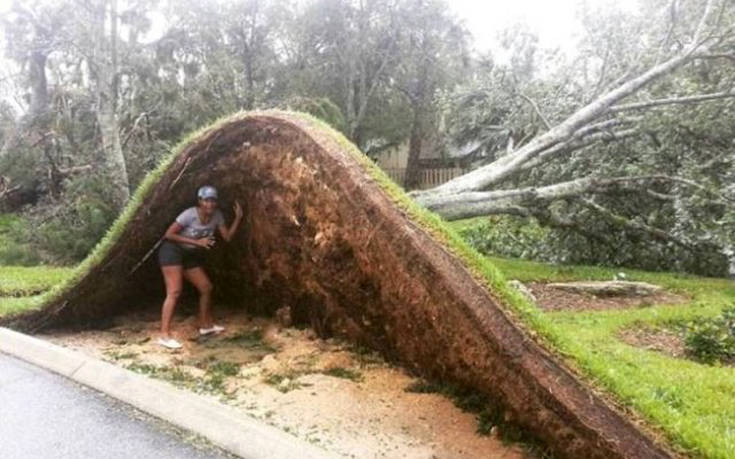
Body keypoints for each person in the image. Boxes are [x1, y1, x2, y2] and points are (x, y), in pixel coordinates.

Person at [156, 185, 243, 349]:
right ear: (200, 201)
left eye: (212, 201)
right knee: (174, 291)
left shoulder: (217, 216)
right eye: (206, 200)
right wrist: (197, 242)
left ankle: (205, 326)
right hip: (171, 250)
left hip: (189, 254)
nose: (209, 204)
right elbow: (169, 234)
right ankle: (164, 335)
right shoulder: (189, 214)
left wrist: (238, 218)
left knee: (206, 287)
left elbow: (228, 237)